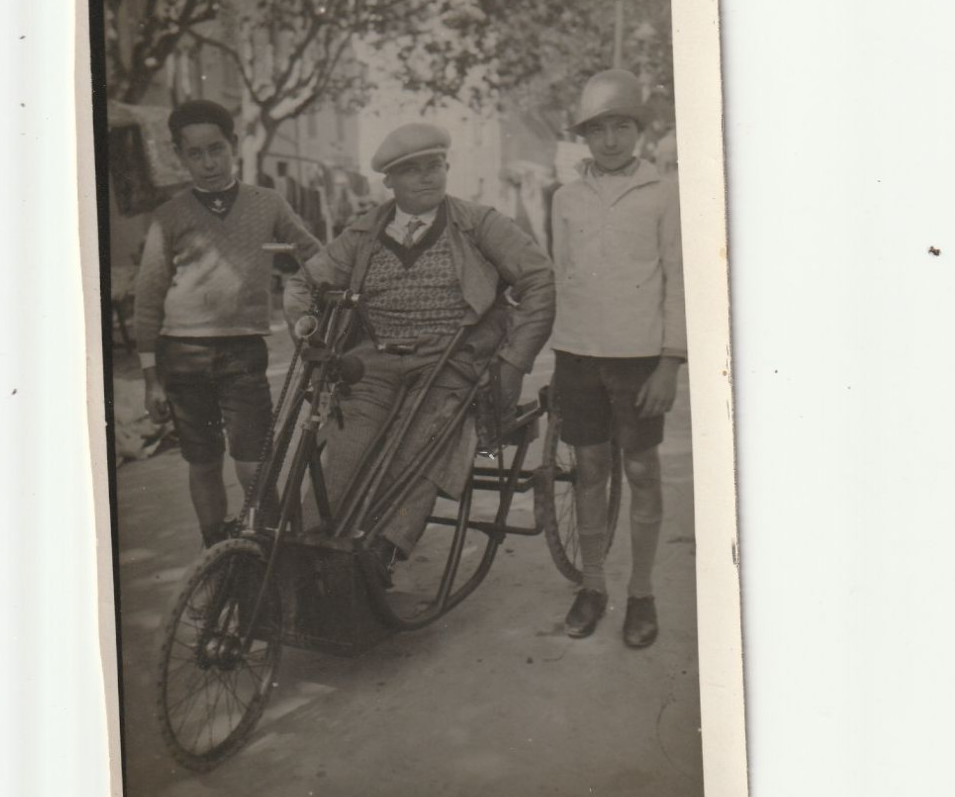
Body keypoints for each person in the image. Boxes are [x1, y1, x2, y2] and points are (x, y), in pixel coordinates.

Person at [282, 123, 554, 574]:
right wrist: (309, 332)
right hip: (374, 364)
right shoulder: (365, 232)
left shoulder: (477, 223)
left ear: (447, 168)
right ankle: (308, 556)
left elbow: (539, 278)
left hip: (450, 364)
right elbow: (303, 284)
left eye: (434, 166)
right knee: (345, 451)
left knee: (422, 450)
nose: (427, 177)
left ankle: (381, 552)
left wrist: (514, 361)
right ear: (389, 181)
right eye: (411, 170)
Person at [133, 99, 322, 548]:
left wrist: (309, 297)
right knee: (203, 462)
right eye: (194, 153)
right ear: (180, 156)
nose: (208, 162)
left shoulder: (268, 203)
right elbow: (148, 299)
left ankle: (269, 558)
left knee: (254, 462)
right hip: (182, 356)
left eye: (216, 149)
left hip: (242, 352)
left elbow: (314, 255)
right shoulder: (169, 215)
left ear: (233, 146)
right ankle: (218, 557)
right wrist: (151, 380)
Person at [550, 70, 687, 648]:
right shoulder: (565, 198)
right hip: (579, 354)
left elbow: (679, 279)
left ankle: (641, 592)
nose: (611, 140)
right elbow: (564, 275)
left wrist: (669, 363)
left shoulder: (663, 194)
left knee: (640, 472)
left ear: (639, 130)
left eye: (622, 127)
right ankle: (594, 585)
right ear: (584, 135)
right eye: (599, 129)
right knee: (589, 470)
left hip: (638, 359)